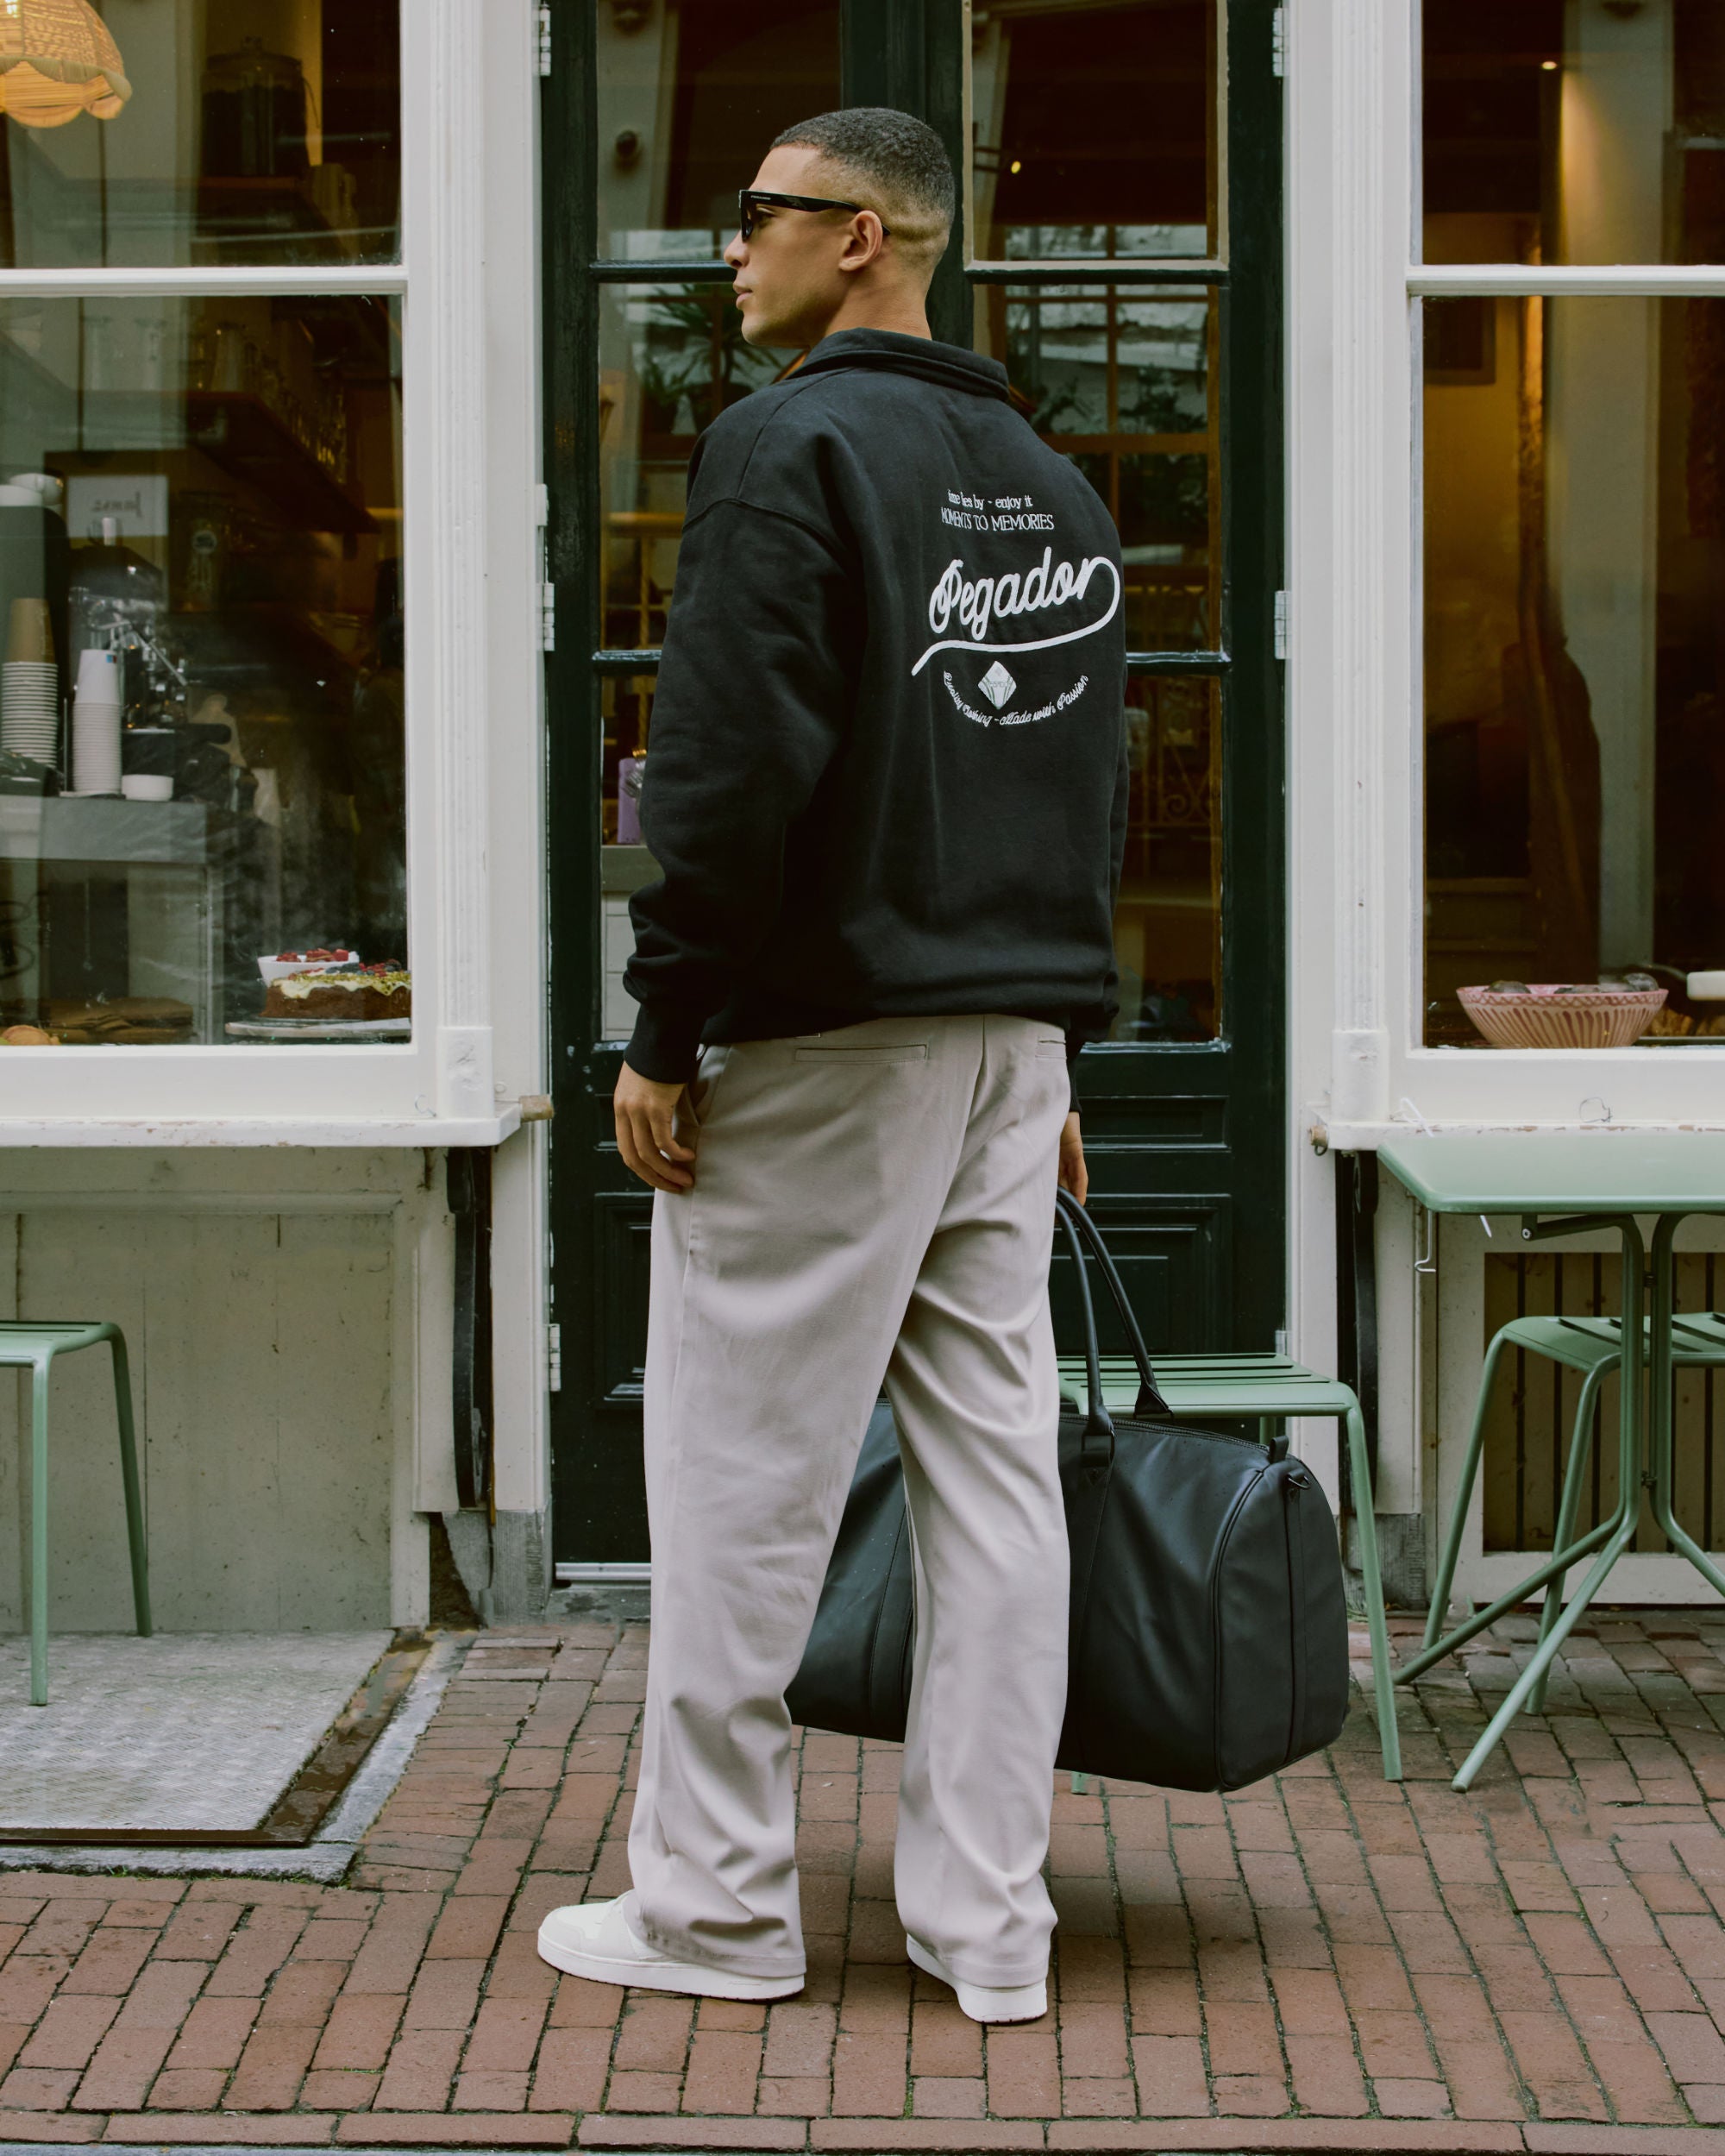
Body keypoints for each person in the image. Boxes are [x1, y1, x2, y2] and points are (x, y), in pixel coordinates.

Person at [537, 107, 1127, 2026]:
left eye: (758, 216)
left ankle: (715, 1910)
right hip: (1003, 1044)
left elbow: (724, 769)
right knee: (994, 1481)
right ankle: (992, 1923)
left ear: (860, 235)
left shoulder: (783, 445)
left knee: (742, 1477)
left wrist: (665, 1020)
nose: (730, 249)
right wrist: (1054, 1050)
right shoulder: (1050, 482)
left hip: (831, 1036)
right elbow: (1076, 788)